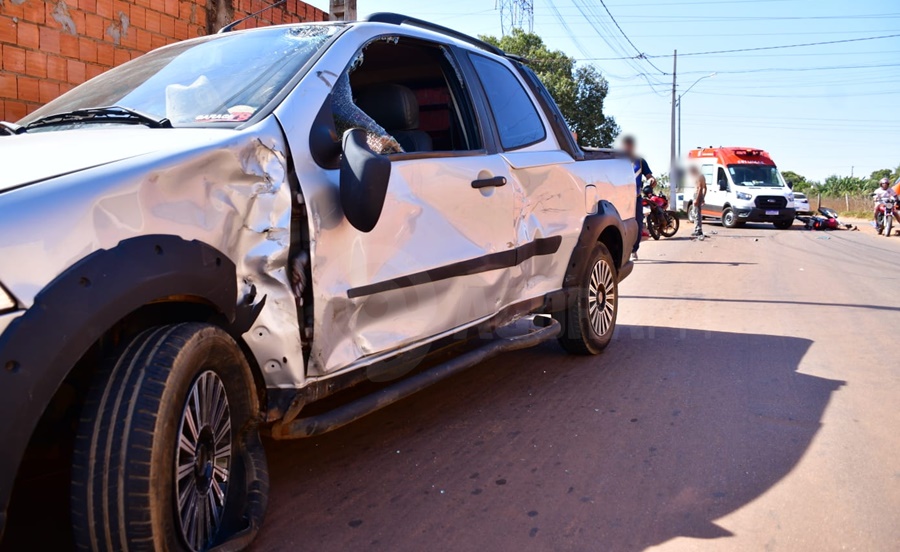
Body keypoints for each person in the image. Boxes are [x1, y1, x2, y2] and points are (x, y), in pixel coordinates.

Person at [621, 136, 656, 261]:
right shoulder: (617, 161)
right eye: (626, 145)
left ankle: (634, 250)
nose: (628, 148)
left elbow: (649, 176)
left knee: (638, 224)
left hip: (636, 198)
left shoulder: (640, 161)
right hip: (621, 198)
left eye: (630, 146)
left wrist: (651, 180)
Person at [689, 165, 707, 239]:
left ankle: (698, 230)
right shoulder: (702, 176)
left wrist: (697, 199)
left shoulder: (699, 176)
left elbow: (700, 188)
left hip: (697, 195)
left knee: (696, 213)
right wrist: (703, 197)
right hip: (700, 195)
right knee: (697, 213)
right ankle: (698, 229)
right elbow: (705, 188)